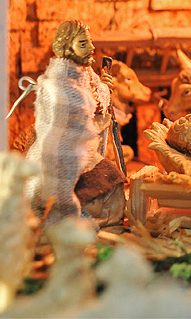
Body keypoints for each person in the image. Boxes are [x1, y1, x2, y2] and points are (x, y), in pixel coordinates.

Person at [24, 20, 125, 226]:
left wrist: (102, 87)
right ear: (67, 47)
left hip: (84, 145)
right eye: (83, 44)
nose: (91, 48)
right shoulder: (58, 81)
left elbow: (93, 97)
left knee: (112, 177)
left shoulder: (84, 73)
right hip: (66, 150)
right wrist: (100, 92)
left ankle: (104, 215)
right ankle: (73, 217)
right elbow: (78, 111)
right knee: (100, 178)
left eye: (90, 42)